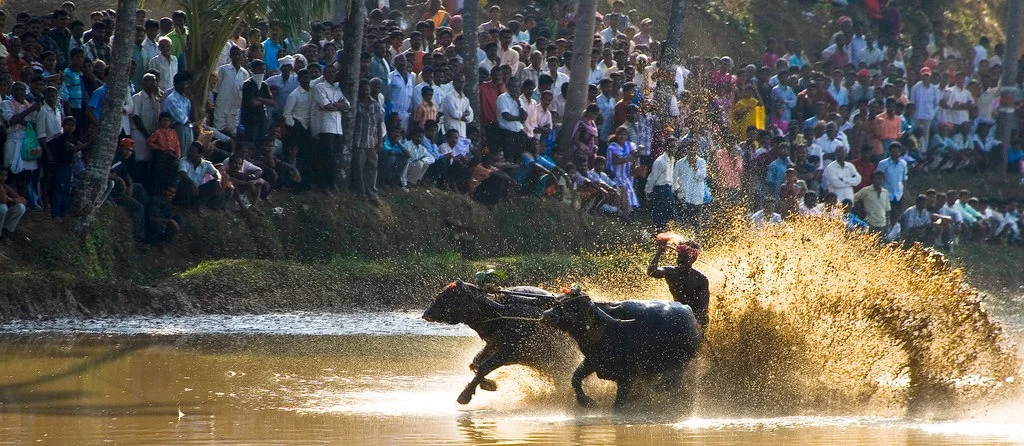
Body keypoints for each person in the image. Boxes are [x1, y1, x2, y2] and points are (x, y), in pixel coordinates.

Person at [647, 238, 710, 328]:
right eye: (679, 256)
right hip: (679, 314)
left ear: (693, 259)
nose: (681, 260)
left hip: (697, 318)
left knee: (704, 319)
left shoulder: (701, 279)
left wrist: (697, 324)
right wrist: (659, 252)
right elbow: (651, 272)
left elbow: (703, 307)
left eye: (685, 257)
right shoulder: (670, 272)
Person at [0, 169, 27, 241]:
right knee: (3, 208)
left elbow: (24, 200)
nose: (3, 177)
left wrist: (12, 200)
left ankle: (5, 230)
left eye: (5, 175)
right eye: (1, 175)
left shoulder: (5, 186)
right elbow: (3, 200)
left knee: (21, 207)